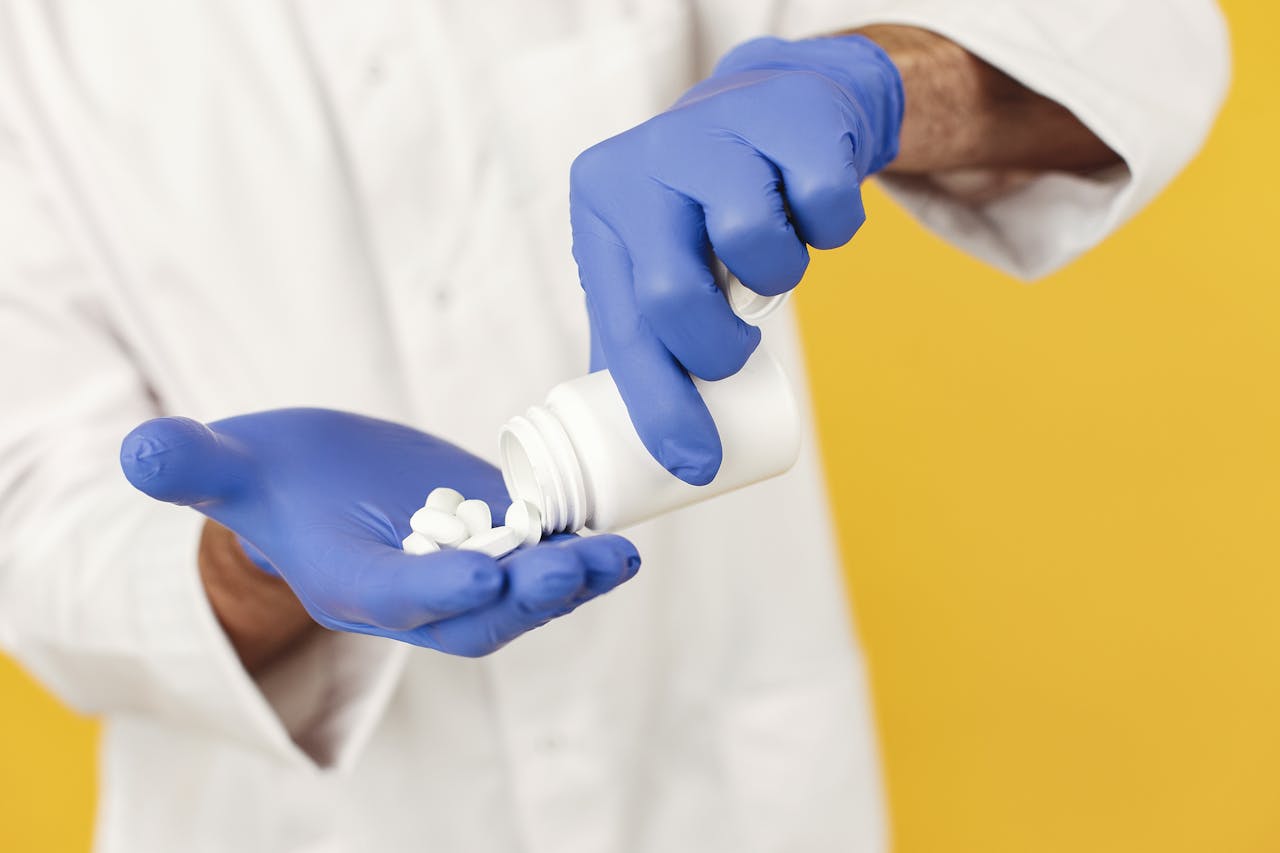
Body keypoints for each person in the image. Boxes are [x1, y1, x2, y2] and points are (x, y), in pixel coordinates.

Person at [0, 2, 1228, 851]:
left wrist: (871, 83)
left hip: (721, 793)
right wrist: (251, 554)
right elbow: (28, 509)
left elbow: (1118, 40)